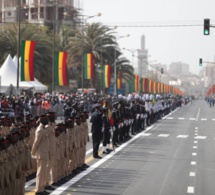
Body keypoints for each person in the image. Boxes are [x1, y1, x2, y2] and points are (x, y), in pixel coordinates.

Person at [31, 115, 50, 195]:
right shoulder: (40, 130)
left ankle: (41, 188)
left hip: (44, 153)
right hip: (41, 154)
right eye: (46, 119)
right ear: (42, 120)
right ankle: (38, 190)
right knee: (40, 172)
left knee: (43, 172)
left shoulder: (43, 129)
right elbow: (36, 142)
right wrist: (33, 152)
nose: (47, 120)